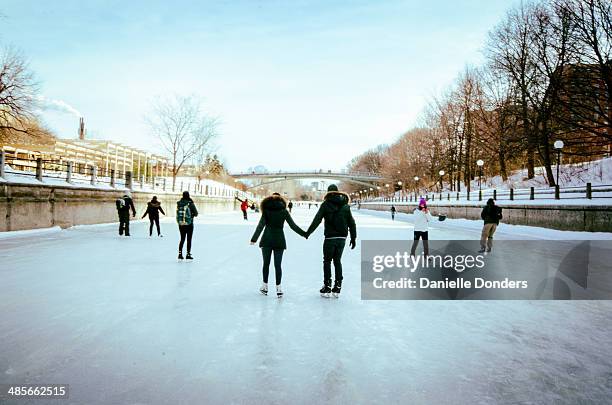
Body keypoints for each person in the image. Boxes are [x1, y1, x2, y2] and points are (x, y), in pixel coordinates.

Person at [250, 193, 307, 298]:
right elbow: (293, 226)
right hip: (279, 241)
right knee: (278, 265)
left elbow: (260, 226)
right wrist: (304, 233)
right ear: (281, 201)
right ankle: (279, 288)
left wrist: (254, 239)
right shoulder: (284, 211)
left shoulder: (266, 211)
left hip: (266, 240)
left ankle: (265, 287)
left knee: (266, 264)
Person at [306, 184, 357, 298]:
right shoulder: (345, 205)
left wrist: (307, 233)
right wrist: (353, 238)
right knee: (337, 261)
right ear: (338, 192)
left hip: (330, 238)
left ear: (328, 192)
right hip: (342, 239)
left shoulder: (325, 205)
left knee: (327, 261)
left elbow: (317, 220)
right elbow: (352, 223)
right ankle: (337, 287)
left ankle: (327, 286)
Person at [176, 191, 198, 260]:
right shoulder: (190, 203)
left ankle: (180, 254)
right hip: (189, 224)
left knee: (182, 239)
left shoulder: (179, 203)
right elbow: (196, 213)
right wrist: (192, 215)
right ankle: (188, 254)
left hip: (181, 224)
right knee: (189, 239)